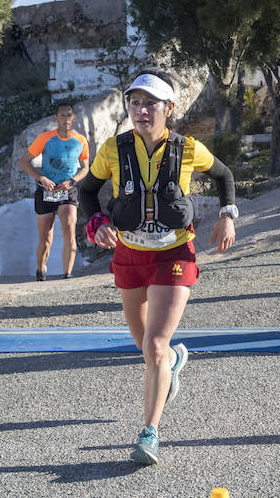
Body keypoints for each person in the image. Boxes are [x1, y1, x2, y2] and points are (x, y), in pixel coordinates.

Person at [79, 69, 238, 465]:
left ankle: (149, 433)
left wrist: (227, 215)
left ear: (169, 108)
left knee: (153, 345)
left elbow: (224, 175)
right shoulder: (112, 150)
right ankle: (174, 360)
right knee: (147, 349)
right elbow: (86, 191)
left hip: (174, 254)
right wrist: (96, 222)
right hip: (130, 253)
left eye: (150, 103)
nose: (141, 110)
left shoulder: (187, 148)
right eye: (135, 102)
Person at [18, 103, 89, 281]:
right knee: (46, 238)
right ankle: (41, 270)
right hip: (46, 191)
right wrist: (41, 178)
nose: (66, 119)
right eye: (62, 116)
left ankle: (67, 274)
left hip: (68, 191)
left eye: (69, 115)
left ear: (73, 118)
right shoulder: (45, 138)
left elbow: (85, 167)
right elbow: (24, 162)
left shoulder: (80, 140)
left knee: (69, 229)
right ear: (56, 118)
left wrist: (73, 181)